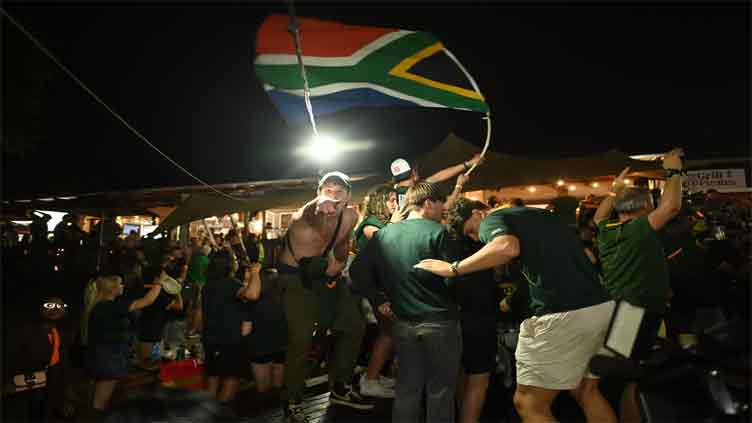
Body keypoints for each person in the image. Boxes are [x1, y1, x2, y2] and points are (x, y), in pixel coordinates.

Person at [415, 199, 617, 423]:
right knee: (586, 391)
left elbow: (506, 246)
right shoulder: (537, 216)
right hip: (602, 308)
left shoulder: (493, 219)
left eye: (472, 231)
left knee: (529, 404)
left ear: (478, 213)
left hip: (563, 313)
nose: (476, 238)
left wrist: (453, 269)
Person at [351, 182, 462, 422]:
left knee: (407, 388)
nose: (442, 211)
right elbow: (454, 279)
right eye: (441, 205)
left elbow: (357, 271)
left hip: (402, 322)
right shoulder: (437, 232)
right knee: (440, 391)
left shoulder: (385, 234)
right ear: (429, 203)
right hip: (439, 321)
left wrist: (378, 299)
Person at [593, 149, 684, 423]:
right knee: (623, 381)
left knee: (627, 379)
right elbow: (671, 208)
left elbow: (598, 217)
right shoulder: (637, 230)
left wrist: (613, 191)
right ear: (644, 207)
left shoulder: (607, 231)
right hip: (633, 313)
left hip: (625, 311)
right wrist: (674, 172)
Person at [277, 171, 371, 422]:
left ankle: (340, 386)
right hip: (295, 278)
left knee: (354, 325)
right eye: (327, 190)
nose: (333, 196)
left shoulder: (351, 215)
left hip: (326, 276)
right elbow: (309, 217)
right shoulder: (302, 216)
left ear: (348, 195)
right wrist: (317, 205)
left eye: (339, 191)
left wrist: (338, 262)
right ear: (318, 193)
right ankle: (292, 401)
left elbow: (341, 248)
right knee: (301, 338)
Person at [445, 198, 499, 423]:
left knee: (462, 376)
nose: (473, 235)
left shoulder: (449, 242)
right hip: (478, 318)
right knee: (478, 380)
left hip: (456, 318)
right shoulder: (483, 244)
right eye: (468, 232)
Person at [81, 274, 163, 415]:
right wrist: (159, 284)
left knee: (100, 397)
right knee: (100, 402)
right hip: (108, 360)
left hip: (104, 357)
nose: (123, 286)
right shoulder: (108, 307)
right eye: (120, 284)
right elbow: (147, 301)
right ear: (111, 289)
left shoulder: (101, 306)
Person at [352, 184, 399, 398]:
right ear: (379, 201)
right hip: (375, 290)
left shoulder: (385, 223)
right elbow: (385, 241)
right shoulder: (370, 224)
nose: (394, 204)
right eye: (390, 200)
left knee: (388, 333)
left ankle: (374, 375)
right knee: (388, 333)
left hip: (383, 287)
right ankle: (370, 379)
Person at [201, 249, 260, 415]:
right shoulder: (230, 284)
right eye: (234, 258)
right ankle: (219, 415)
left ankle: (205, 414)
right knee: (231, 379)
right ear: (228, 265)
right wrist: (255, 273)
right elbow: (253, 294)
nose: (236, 261)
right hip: (230, 341)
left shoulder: (208, 285)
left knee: (212, 379)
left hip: (211, 339)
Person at [245, 268, 287, 402]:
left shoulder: (252, 303)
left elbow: (245, 331)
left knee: (263, 391)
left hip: (259, 349)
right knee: (278, 388)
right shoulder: (285, 300)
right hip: (281, 347)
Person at [390, 153, 481, 212]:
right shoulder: (417, 194)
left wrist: (469, 163)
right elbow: (445, 207)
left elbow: (438, 177)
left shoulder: (392, 192)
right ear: (413, 172)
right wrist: (459, 185)